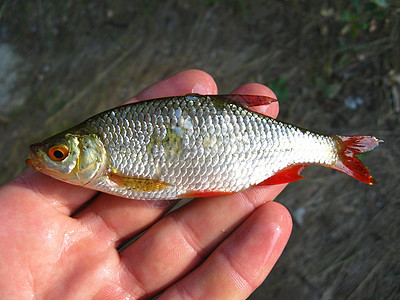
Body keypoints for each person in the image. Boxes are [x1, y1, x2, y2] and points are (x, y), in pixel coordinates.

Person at [0, 69, 292, 299]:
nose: (51, 160)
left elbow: (150, 186)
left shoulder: (110, 167)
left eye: (58, 155)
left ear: (91, 151)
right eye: (59, 155)